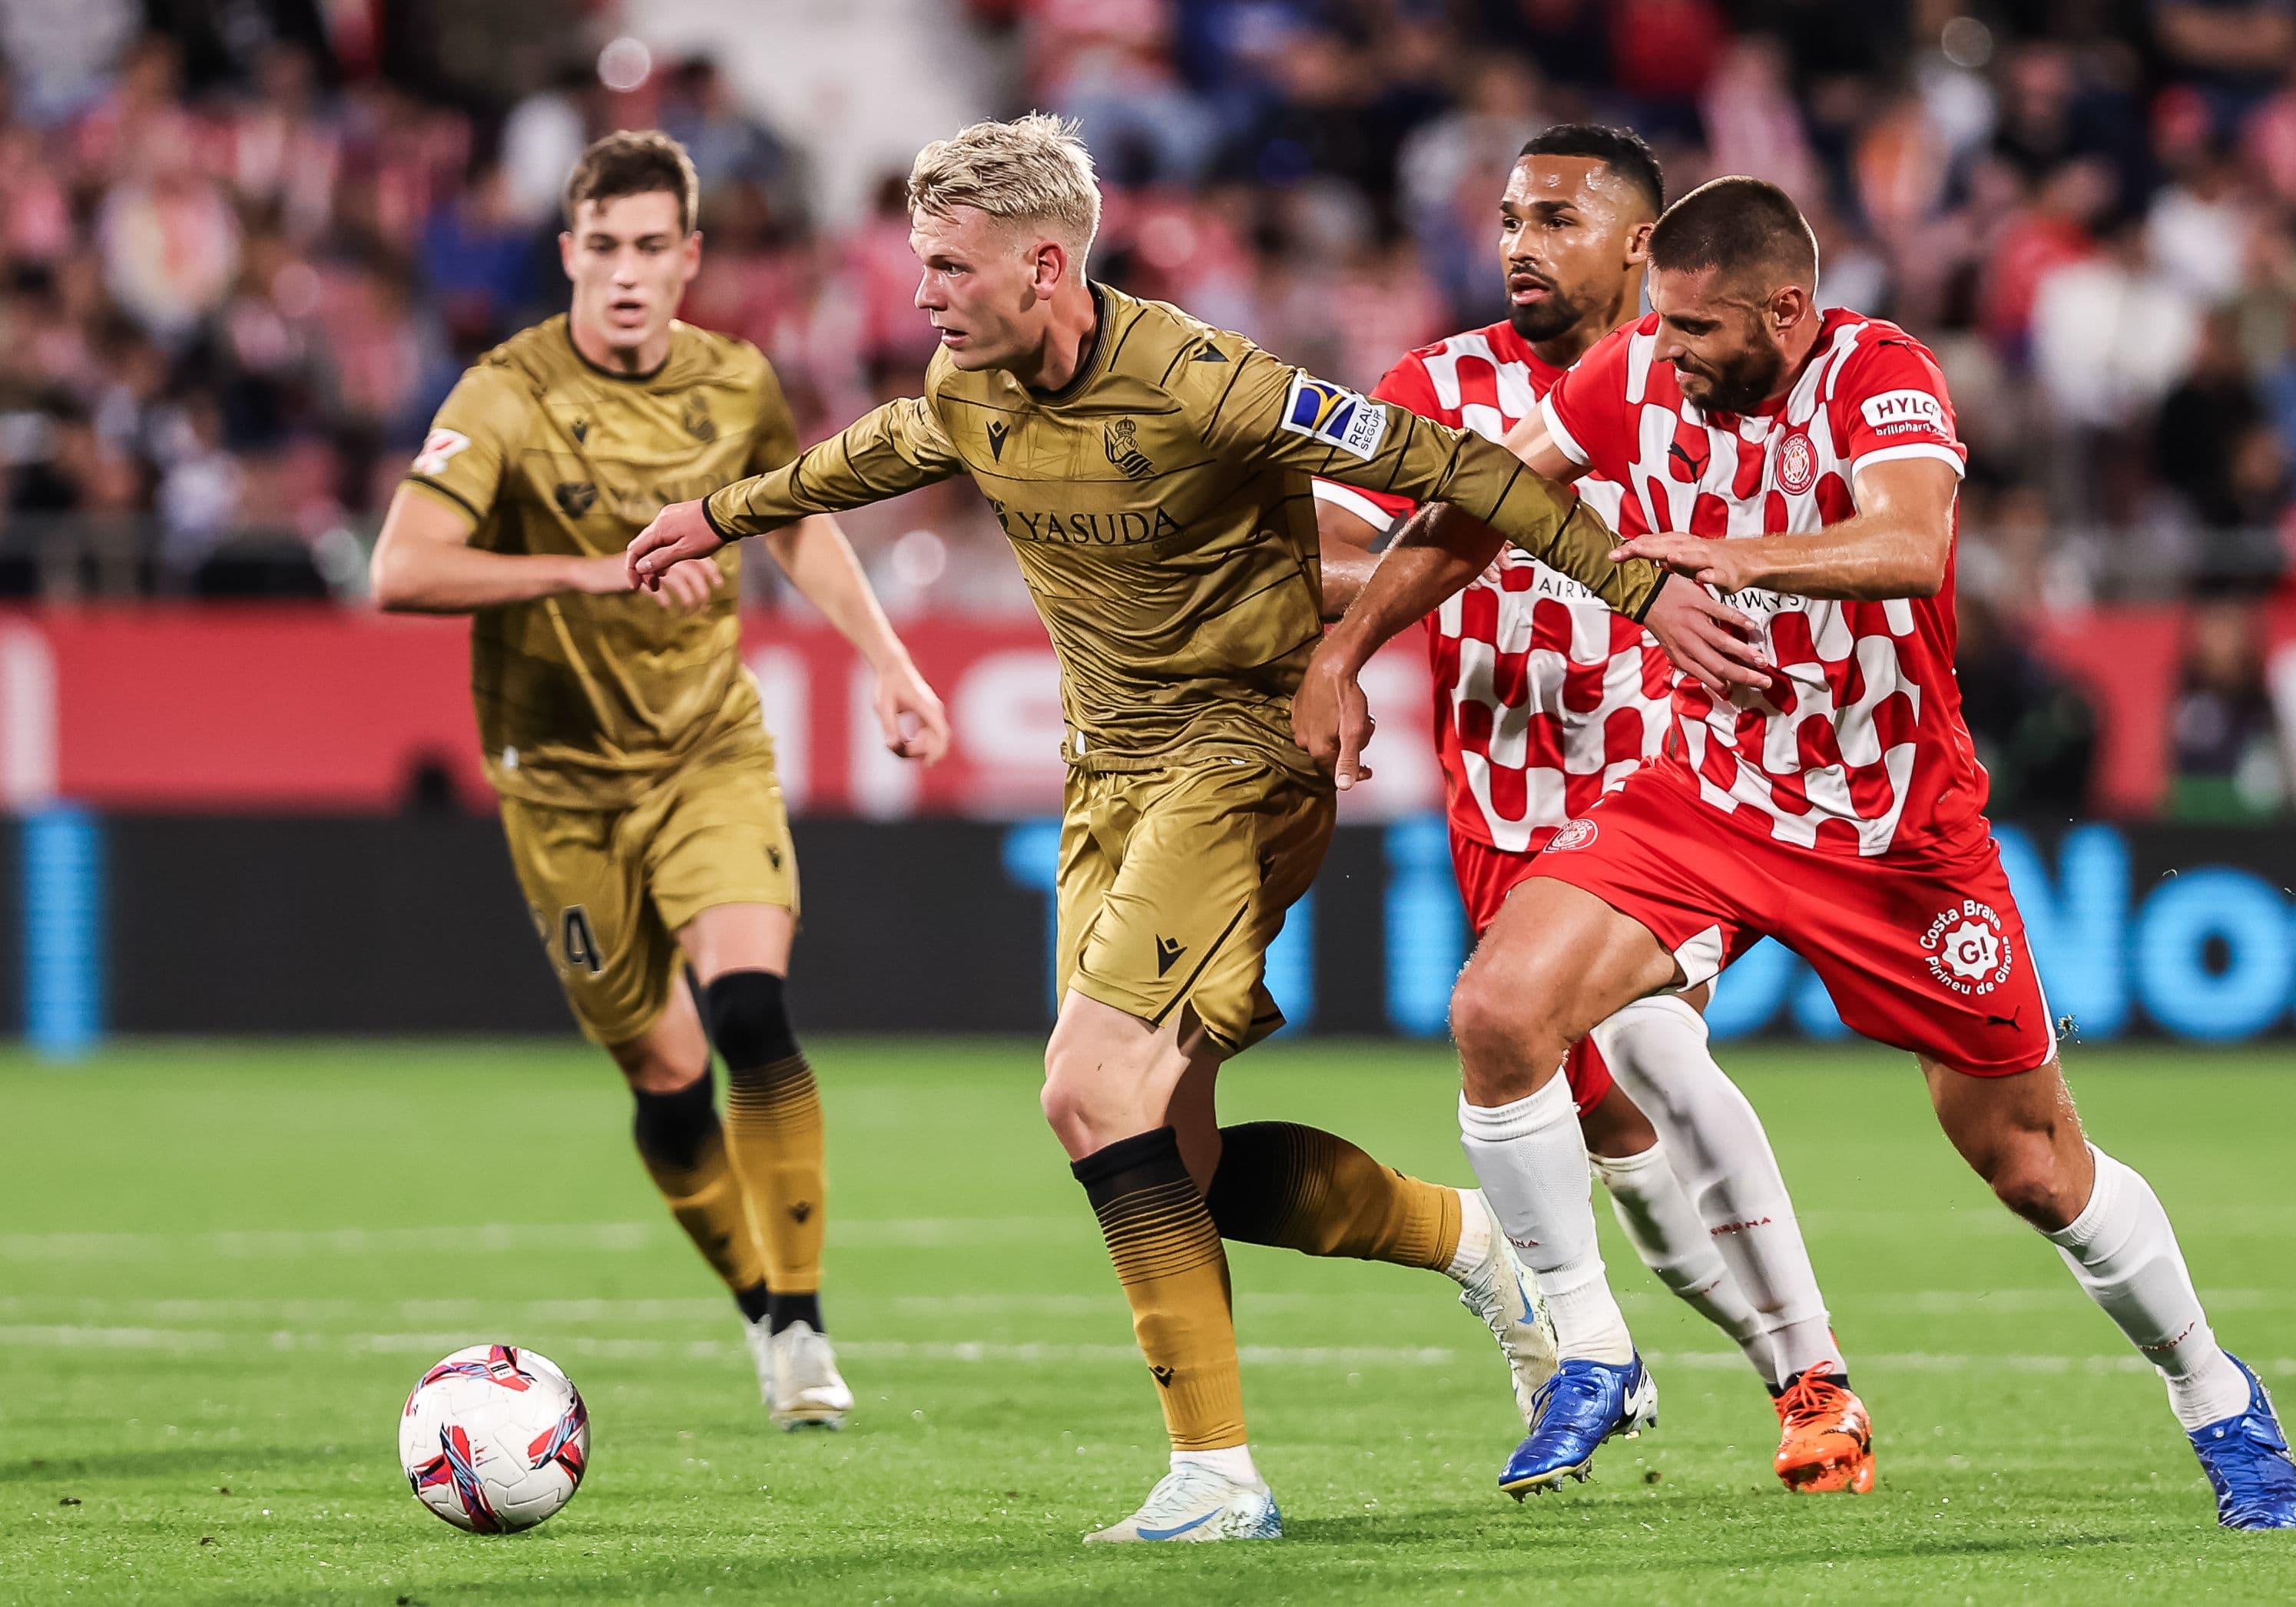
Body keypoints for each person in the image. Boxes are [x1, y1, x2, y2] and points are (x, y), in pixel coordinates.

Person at [626, 114, 1764, 1542]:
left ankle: (1217, 1477)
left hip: (1239, 759)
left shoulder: (1205, 381)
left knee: (1084, 1093)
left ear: (1044, 265)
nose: (918, 292)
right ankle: (1479, 1249)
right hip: (1103, 776)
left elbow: (1454, 470)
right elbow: (898, 443)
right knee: (1173, 1155)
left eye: (946, 267)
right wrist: (722, 513)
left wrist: (1634, 587)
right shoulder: (966, 378)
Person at [1295, 174, 2296, 1531]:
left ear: (1787, 307)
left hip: (1897, 832)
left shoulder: (1878, 372)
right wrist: (1341, 653)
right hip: (1705, 799)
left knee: (2030, 1165)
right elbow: (1480, 507)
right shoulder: (1629, 376)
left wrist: (1721, 559)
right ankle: (1592, 1351)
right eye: (1660, 323)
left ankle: (2213, 1394)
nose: (1670, 352)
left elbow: (1908, 542)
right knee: (1498, 1008)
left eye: (1702, 330)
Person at [1313, 123, 1869, 1494]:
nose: (1516, 242)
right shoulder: (1438, 386)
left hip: (1671, 795)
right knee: (1610, 1125)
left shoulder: (1708, 382)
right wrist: (1348, 621)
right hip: (1503, 806)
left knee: (1652, 1052)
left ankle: (1635, 1357)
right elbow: (1328, 540)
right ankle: (1781, 1377)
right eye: (1507, 216)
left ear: (1639, 243)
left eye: (1554, 219)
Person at [369, 131, 954, 1433]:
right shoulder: (502, 395)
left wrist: (886, 660)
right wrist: (589, 567)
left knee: (750, 1009)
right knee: (664, 1075)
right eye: (603, 249)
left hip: (708, 753)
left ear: (688, 260)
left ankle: (802, 1324)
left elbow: (793, 518)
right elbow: (399, 570)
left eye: (652, 250)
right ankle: (756, 1298)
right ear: (569, 252)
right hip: (560, 786)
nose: (627, 275)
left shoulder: (734, 383)